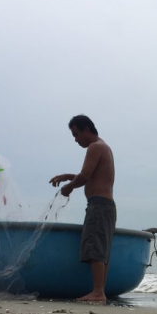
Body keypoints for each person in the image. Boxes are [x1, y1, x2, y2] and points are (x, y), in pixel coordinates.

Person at [49, 115, 116, 303]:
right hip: (106, 206)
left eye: (76, 134)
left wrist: (69, 187)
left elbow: (85, 175)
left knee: (95, 248)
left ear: (87, 129)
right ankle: (100, 291)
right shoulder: (104, 147)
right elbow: (92, 176)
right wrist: (67, 176)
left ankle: (98, 292)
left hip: (99, 206)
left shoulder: (95, 147)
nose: (76, 139)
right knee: (102, 249)